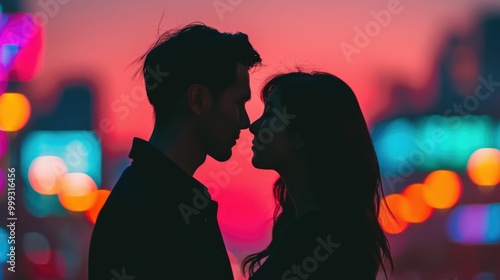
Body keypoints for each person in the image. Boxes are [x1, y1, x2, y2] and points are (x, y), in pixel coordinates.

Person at [88, 22, 262, 280]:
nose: (246, 121)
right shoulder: (149, 212)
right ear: (199, 100)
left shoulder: (151, 197)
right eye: (239, 103)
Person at [241, 70, 394, 279]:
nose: (254, 127)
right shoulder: (334, 227)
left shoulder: (314, 234)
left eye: (270, 115)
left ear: (302, 134)